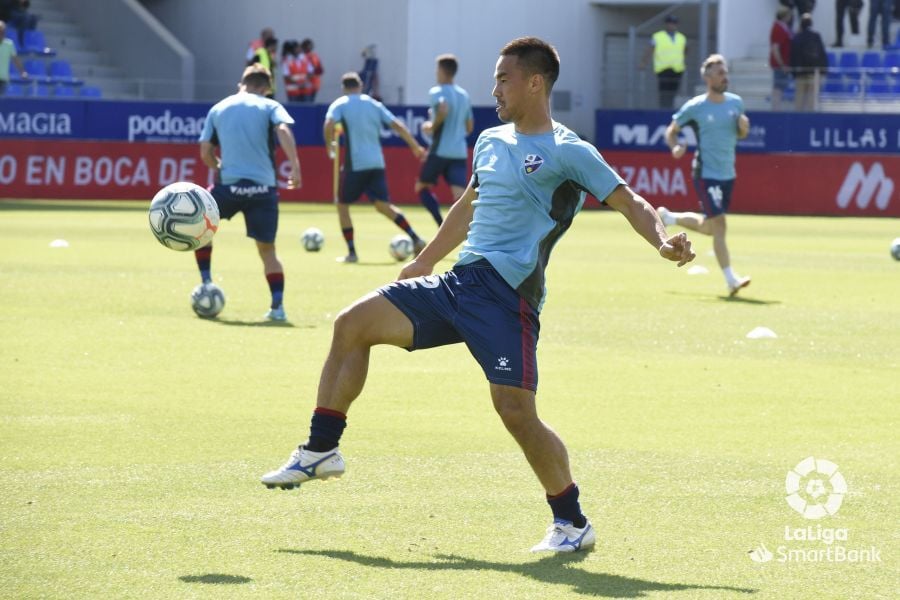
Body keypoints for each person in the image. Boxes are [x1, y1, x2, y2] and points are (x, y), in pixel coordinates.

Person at [261, 37, 695, 553]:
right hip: (457, 284)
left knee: (515, 412)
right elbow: (468, 205)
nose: (493, 90)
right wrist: (424, 260)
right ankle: (321, 448)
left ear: (535, 83)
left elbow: (630, 201)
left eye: (503, 79)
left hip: (507, 297)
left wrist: (663, 241)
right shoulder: (490, 140)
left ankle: (573, 524)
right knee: (351, 324)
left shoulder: (568, 150)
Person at [197, 64, 301, 321]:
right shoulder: (269, 106)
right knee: (268, 252)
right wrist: (295, 167)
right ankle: (277, 309)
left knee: (201, 227)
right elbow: (283, 130)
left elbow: (205, 151)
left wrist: (218, 166)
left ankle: (206, 282)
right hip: (263, 189)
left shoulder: (219, 108)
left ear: (241, 83)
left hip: (229, 187)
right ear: (266, 88)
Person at [658, 54, 751, 297]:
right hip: (706, 172)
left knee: (710, 227)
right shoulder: (696, 107)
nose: (725, 76)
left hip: (727, 173)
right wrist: (675, 146)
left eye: (725, 71)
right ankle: (731, 280)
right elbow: (672, 130)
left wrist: (743, 129)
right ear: (708, 78)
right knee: (720, 226)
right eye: (720, 72)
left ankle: (670, 217)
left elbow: (741, 135)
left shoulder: (736, 103)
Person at [322, 72, 428, 264]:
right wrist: (414, 146)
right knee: (383, 206)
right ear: (360, 86)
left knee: (342, 205)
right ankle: (416, 238)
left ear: (343, 88)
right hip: (376, 162)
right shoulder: (373, 103)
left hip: (356, 163)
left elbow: (329, 123)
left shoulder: (341, 103)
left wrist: (330, 145)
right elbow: (397, 124)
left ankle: (352, 252)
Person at [415, 54, 474, 226]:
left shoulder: (437, 91)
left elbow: (442, 109)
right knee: (460, 196)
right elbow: (469, 127)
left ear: (441, 70)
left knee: (421, 187)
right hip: (459, 151)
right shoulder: (463, 95)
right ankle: (470, 234)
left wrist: (431, 126)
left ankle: (442, 226)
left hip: (440, 150)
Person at [639, 14, 688, 109]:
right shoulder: (658, 36)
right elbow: (650, 49)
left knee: (673, 91)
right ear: (666, 24)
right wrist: (644, 62)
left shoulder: (681, 37)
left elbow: (685, 50)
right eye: (670, 23)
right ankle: (663, 108)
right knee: (664, 92)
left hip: (677, 68)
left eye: (674, 23)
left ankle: (670, 108)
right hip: (663, 68)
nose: (672, 25)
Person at [790, 13, 828, 111]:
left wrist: (794, 72)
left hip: (800, 73)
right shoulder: (816, 36)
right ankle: (811, 119)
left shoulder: (797, 37)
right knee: (812, 98)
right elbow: (821, 54)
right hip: (814, 72)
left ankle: (797, 119)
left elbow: (793, 55)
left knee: (799, 98)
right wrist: (823, 71)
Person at [770, 6, 794, 111]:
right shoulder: (777, 28)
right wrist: (782, 64)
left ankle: (777, 107)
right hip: (780, 64)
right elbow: (775, 48)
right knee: (778, 87)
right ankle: (776, 108)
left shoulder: (784, 27)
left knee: (781, 87)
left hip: (785, 63)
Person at [0, 20, 28, 96]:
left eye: (2, 31)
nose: (1, 33)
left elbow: (15, 60)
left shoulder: (9, 44)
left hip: (3, 80)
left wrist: (22, 72)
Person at [299, 38, 323, 103]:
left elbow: (318, 70)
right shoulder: (312, 56)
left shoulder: (309, 56)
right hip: (309, 84)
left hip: (309, 84)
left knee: (307, 104)